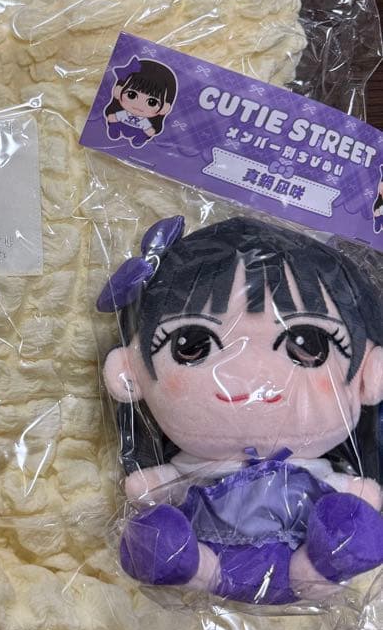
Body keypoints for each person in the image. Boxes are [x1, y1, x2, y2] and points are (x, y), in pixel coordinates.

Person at [98, 214, 383, 604]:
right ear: (128, 373)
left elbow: (359, 498)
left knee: (350, 523)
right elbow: (151, 490)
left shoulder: (320, 470)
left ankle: (315, 570)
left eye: (307, 343)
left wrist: (356, 501)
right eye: (192, 345)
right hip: (211, 558)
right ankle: (194, 566)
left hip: (301, 559)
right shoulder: (190, 467)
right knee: (156, 536)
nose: (250, 375)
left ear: (371, 375)